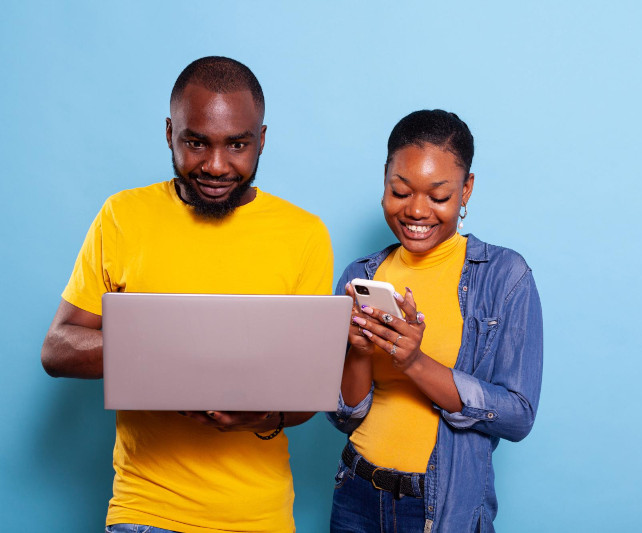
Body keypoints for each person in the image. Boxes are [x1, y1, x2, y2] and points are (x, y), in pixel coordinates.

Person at [41, 56, 333, 533]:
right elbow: (58, 349)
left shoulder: (305, 235)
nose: (216, 166)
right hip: (147, 512)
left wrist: (264, 414)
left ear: (261, 139)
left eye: (237, 144)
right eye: (195, 142)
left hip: (259, 518)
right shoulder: (122, 216)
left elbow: (307, 391)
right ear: (169, 133)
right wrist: (172, 356)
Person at [327, 110, 543, 533]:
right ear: (385, 181)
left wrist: (415, 363)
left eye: (438, 197)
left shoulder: (505, 277)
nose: (416, 211)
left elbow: (519, 415)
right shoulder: (361, 276)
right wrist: (358, 352)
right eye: (400, 191)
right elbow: (343, 417)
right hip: (355, 494)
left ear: (467, 190)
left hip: (439, 506)